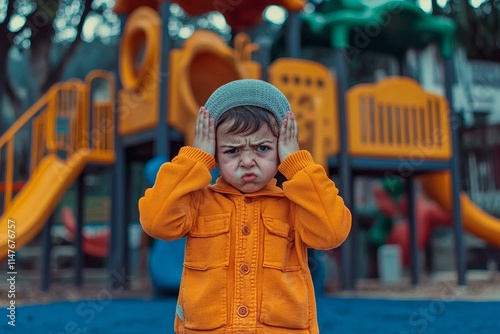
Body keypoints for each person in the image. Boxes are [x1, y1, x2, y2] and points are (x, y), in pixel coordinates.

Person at [139, 79, 352, 333]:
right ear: (214, 152)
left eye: (263, 148)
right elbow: (155, 222)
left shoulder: (295, 204)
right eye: (231, 151)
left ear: (281, 149)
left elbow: (332, 232)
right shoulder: (198, 202)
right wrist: (195, 158)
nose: (247, 161)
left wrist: (297, 164)